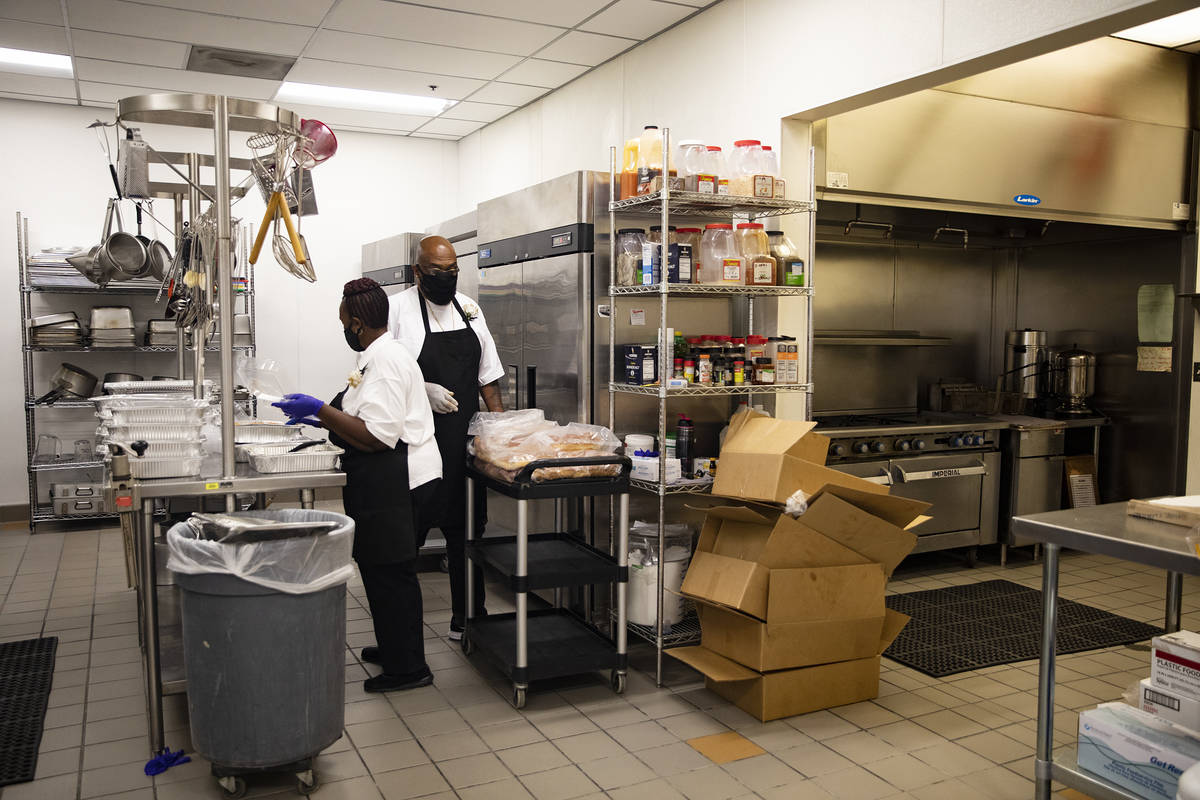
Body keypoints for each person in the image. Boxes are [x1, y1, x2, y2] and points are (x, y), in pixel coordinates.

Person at [274, 277, 441, 693]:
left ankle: (409, 668)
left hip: (401, 477)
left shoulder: (386, 361)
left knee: (392, 572)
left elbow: (377, 435)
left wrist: (320, 411)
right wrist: (321, 417)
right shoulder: (375, 356)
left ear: (355, 325)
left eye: (342, 320)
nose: (342, 327)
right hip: (386, 477)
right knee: (379, 566)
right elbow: (362, 413)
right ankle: (394, 646)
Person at [389, 235, 503, 641]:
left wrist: (501, 432)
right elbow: (382, 379)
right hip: (418, 445)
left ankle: (468, 618)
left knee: (467, 532)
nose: (447, 279)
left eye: (453, 272)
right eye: (438, 272)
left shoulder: (469, 309)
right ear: (418, 272)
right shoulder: (398, 310)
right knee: (408, 537)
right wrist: (423, 389)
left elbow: (488, 378)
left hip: (462, 445)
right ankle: (401, 637)